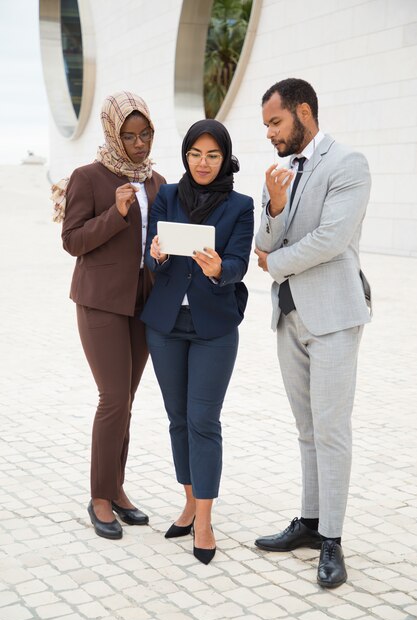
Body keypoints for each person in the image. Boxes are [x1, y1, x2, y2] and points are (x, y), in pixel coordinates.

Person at [254, 78, 372, 588]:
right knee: (306, 429)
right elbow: (262, 236)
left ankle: (333, 540)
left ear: (304, 111)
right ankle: (308, 521)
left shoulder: (348, 164)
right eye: (266, 126)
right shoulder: (277, 172)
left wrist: (275, 263)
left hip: (334, 316)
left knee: (331, 430)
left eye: (276, 123)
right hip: (289, 315)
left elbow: (332, 239)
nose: (271, 135)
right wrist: (275, 207)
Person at [141, 119, 254, 564]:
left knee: (204, 420)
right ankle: (189, 501)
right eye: (195, 154)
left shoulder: (241, 205)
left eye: (212, 155)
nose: (202, 163)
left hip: (214, 328)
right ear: (185, 155)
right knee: (177, 418)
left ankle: (204, 520)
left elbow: (239, 262)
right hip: (165, 325)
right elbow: (157, 259)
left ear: (224, 157)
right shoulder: (167, 195)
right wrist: (157, 254)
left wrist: (219, 269)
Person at [59, 91, 166, 539]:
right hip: (101, 302)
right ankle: (100, 496)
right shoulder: (87, 177)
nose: (139, 144)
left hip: (143, 306)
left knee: (128, 399)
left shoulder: (158, 181)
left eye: (145, 135)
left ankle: (117, 490)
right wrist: (115, 212)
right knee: (113, 398)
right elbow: (73, 240)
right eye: (130, 135)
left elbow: (156, 244)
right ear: (112, 133)